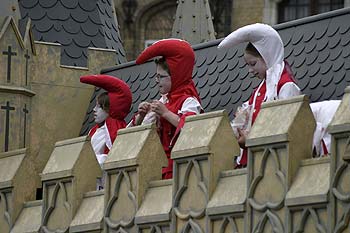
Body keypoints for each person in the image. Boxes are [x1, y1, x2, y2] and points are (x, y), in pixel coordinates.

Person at [218, 23, 301, 168]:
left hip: (273, 161)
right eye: (248, 65)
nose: (250, 70)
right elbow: (240, 121)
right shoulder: (259, 91)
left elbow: (284, 127)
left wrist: (249, 140)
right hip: (254, 159)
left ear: (267, 56)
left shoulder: (286, 86)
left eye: (253, 63)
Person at [133, 39, 202, 179]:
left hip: (179, 169)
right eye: (156, 76)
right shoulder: (163, 100)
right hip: (159, 167)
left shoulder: (188, 101)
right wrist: (141, 115)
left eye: (161, 76)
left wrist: (165, 113)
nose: (157, 81)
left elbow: (193, 128)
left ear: (176, 76)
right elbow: (137, 134)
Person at [80, 74, 132, 188]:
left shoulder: (115, 131)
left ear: (110, 108)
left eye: (99, 106)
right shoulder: (95, 130)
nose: (94, 110)